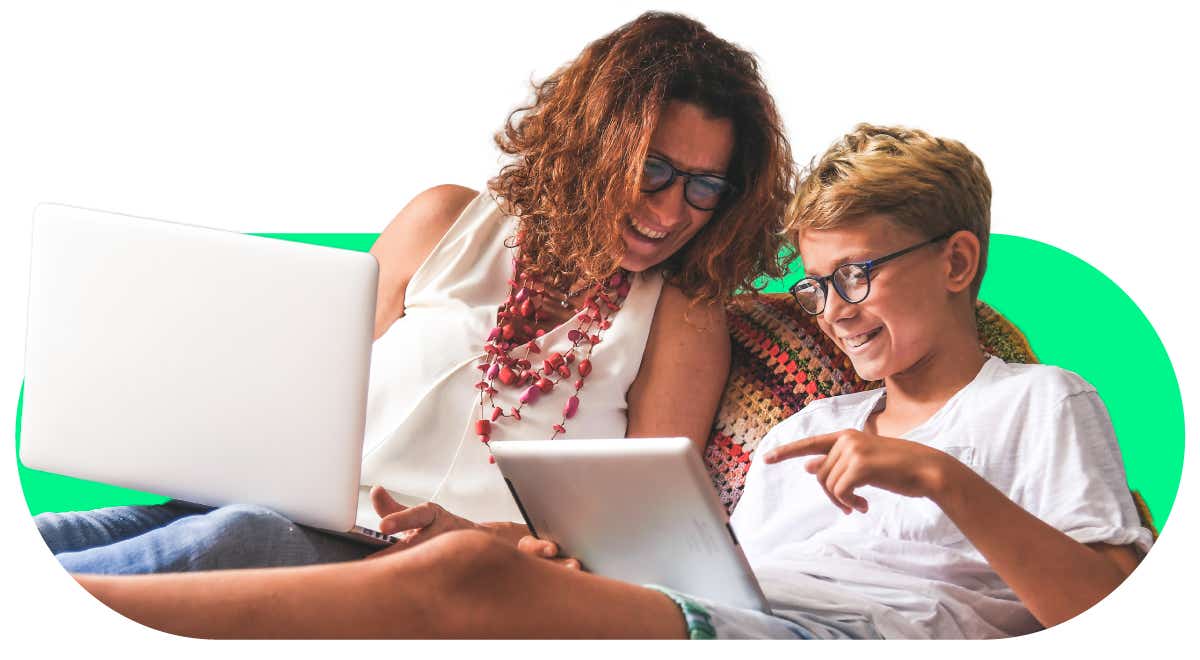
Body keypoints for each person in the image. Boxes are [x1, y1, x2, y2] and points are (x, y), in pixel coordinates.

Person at [73, 123, 1153, 639]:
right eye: (821, 285)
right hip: (720, 609)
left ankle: (72, 624)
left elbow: (1107, 615)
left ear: (959, 262)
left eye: (860, 276)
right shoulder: (816, 422)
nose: (838, 311)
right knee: (280, 534)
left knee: (468, 594)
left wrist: (940, 477)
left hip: (841, 637)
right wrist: (500, 532)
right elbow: (699, 573)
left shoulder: (1039, 402)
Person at [33, 12, 796, 574]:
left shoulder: (680, 318)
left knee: (228, 543)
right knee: (66, 535)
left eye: (704, 187)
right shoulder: (443, 221)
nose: (669, 213)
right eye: (653, 169)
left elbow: (643, 550)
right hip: (287, 509)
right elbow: (296, 407)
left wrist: (486, 541)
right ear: (595, 142)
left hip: (434, 567)